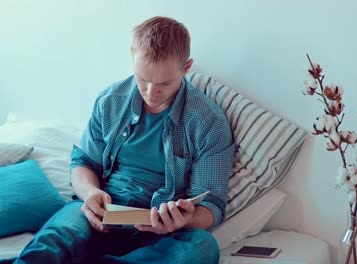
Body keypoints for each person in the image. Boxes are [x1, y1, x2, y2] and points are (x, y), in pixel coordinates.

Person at [12, 16, 235, 264]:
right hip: (101, 213)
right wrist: (90, 193)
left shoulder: (208, 122)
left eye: (164, 83)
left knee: (201, 246)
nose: (151, 92)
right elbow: (83, 162)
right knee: (54, 238)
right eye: (143, 78)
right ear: (132, 55)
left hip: (157, 230)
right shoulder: (111, 100)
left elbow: (212, 204)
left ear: (187, 67)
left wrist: (184, 220)